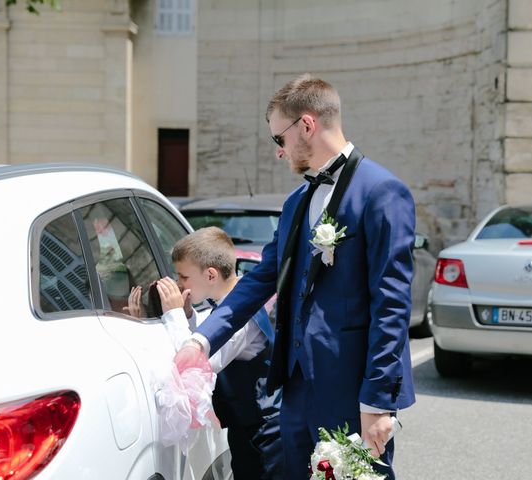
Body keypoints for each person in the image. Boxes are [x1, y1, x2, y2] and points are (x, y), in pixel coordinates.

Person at [176, 74, 415, 479]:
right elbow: (260, 279)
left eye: (278, 139)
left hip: (352, 391)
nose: (279, 152)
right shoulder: (296, 203)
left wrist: (377, 402)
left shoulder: (382, 192)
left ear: (307, 125)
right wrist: (202, 340)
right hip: (296, 391)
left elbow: (391, 306)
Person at [129, 227, 282, 480]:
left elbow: (200, 365)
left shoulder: (239, 318)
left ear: (210, 275)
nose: (179, 283)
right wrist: (188, 317)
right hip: (246, 426)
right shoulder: (230, 303)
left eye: (184, 276)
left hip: (262, 431)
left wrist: (174, 315)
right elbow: (204, 338)